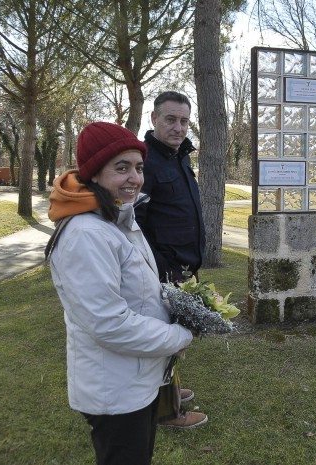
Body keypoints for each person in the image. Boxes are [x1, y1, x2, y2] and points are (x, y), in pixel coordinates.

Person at [45, 122, 199, 465]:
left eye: (139, 167)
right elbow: (109, 323)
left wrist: (180, 304)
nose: (135, 177)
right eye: (122, 167)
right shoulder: (87, 233)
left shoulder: (116, 218)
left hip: (136, 380)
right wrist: (178, 335)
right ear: (94, 174)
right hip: (114, 391)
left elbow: (139, 290)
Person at [135, 91, 207, 429]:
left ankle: (172, 389)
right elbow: (136, 223)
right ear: (154, 120)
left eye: (184, 121)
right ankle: (167, 412)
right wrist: (158, 264)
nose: (178, 127)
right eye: (170, 119)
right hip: (162, 269)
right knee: (163, 339)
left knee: (175, 336)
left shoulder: (180, 157)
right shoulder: (144, 161)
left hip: (183, 266)